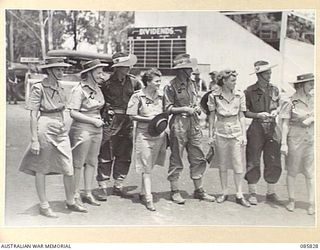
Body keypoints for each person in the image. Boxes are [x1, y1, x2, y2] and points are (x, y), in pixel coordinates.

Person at [19, 57, 87, 218]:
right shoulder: (39, 87)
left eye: (62, 69)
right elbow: (33, 115)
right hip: (45, 125)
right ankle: (44, 205)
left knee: (68, 166)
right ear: (49, 70)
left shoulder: (61, 87)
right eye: (57, 69)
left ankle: (70, 201)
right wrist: (34, 139)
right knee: (41, 167)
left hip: (60, 126)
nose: (61, 72)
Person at [163, 53, 215, 204]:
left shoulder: (193, 83)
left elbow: (196, 100)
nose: (192, 71)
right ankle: (175, 190)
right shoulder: (170, 86)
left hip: (194, 123)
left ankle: (199, 190)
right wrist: (184, 108)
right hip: (179, 123)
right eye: (188, 68)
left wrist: (197, 108)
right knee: (176, 157)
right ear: (181, 70)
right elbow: (167, 108)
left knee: (198, 156)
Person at [95, 52, 141, 200]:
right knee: (106, 152)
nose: (128, 68)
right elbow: (97, 100)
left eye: (128, 65)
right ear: (117, 67)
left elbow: (141, 98)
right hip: (110, 120)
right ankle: (102, 186)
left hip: (127, 121)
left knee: (125, 153)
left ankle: (118, 185)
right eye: (125, 66)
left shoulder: (134, 82)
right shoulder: (105, 82)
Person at [68, 59, 108, 207]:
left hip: (97, 128)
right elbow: (73, 112)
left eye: (101, 72)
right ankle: (75, 195)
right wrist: (92, 121)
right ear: (89, 73)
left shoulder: (98, 88)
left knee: (92, 162)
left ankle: (88, 193)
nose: (101, 75)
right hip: (82, 129)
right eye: (98, 72)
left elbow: (99, 106)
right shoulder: (78, 89)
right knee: (78, 163)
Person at [207, 70, 250, 207]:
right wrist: (210, 135)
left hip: (236, 131)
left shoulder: (240, 94)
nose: (235, 83)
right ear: (224, 81)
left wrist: (244, 135)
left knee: (238, 164)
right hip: (221, 131)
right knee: (223, 164)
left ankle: (239, 193)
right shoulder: (214, 96)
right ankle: (224, 192)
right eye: (232, 80)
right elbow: (212, 116)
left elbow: (242, 116)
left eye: (235, 80)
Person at [126, 68, 167, 211]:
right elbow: (131, 116)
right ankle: (149, 198)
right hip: (143, 134)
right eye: (156, 81)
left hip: (158, 134)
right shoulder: (138, 96)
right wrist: (148, 119)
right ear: (148, 82)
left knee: (149, 165)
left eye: (159, 81)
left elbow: (166, 113)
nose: (159, 84)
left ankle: (143, 193)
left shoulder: (162, 95)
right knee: (146, 165)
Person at [244, 60, 282, 205]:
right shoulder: (249, 91)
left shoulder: (275, 89)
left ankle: (270, 192)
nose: (270, 75)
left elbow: (278, 106)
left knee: (273, 159)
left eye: (270, 72)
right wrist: (258, 115)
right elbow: (245, 112)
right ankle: (252, 192)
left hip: (272, 127)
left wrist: (275, 111)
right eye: (267, 73)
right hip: (256, 128)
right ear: (259, 75)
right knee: (253, 159)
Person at [279, 73, 314, 215]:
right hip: (294, 139)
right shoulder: (290, 101)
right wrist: (283, 143)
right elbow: (285, 124)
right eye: (310, 84)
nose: (312, 86)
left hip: (311, 138)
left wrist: (311, 119)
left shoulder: (314, 99)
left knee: (311, 173)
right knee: (292, 170)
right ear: (301, 85)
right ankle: (291, 200)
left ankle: (311, 202)